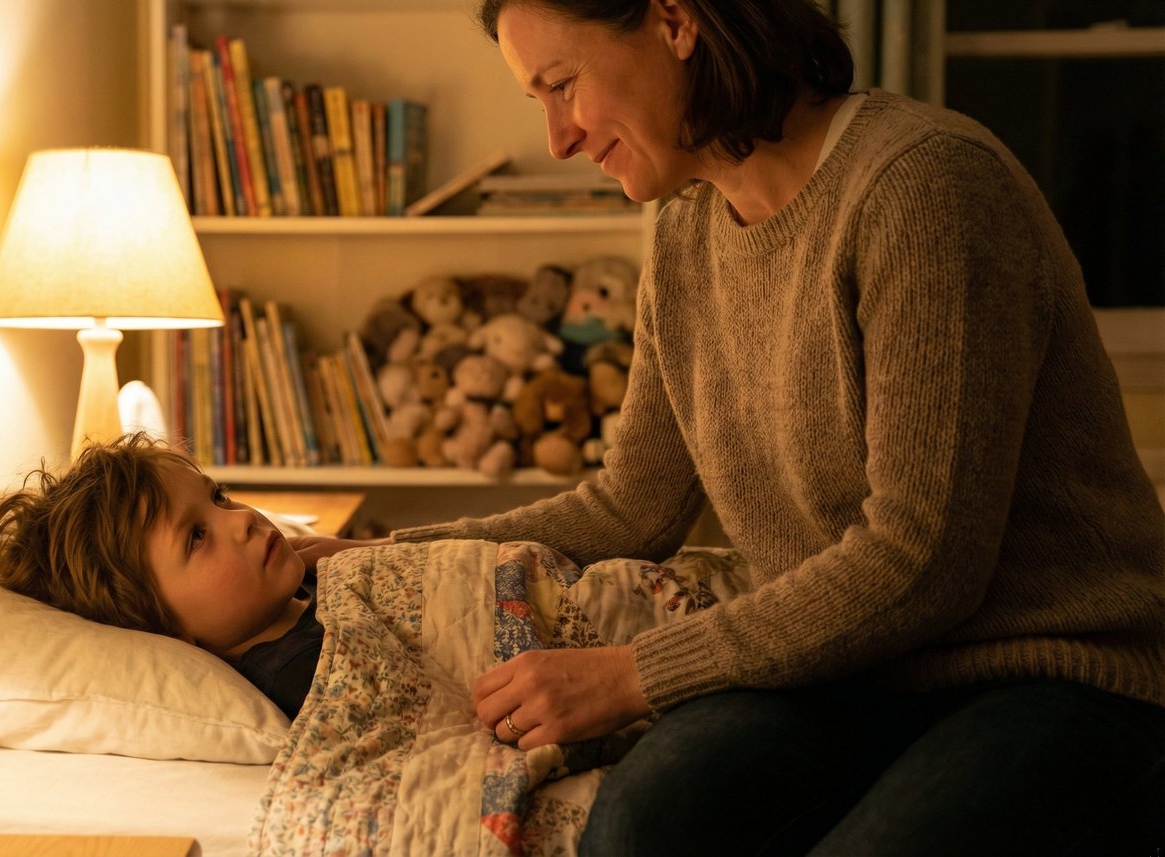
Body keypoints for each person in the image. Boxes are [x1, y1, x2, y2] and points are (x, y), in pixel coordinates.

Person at [292, 0, 1165, 853]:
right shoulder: (685, 233)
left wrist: (637, 673)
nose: (558, 136)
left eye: (563, 84)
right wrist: (382, 554)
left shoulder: (924, 186)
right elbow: (628, 508)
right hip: (844, 676)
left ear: (675, 23)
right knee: (646, 818)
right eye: (539, 101)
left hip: (1052, 675)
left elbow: (919, 559)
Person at [0, 433, 323, 719]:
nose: (242, 518)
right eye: (196, 536)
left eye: (219, 496)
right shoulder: (306, 672)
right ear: (167, 629)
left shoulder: (305, 577)